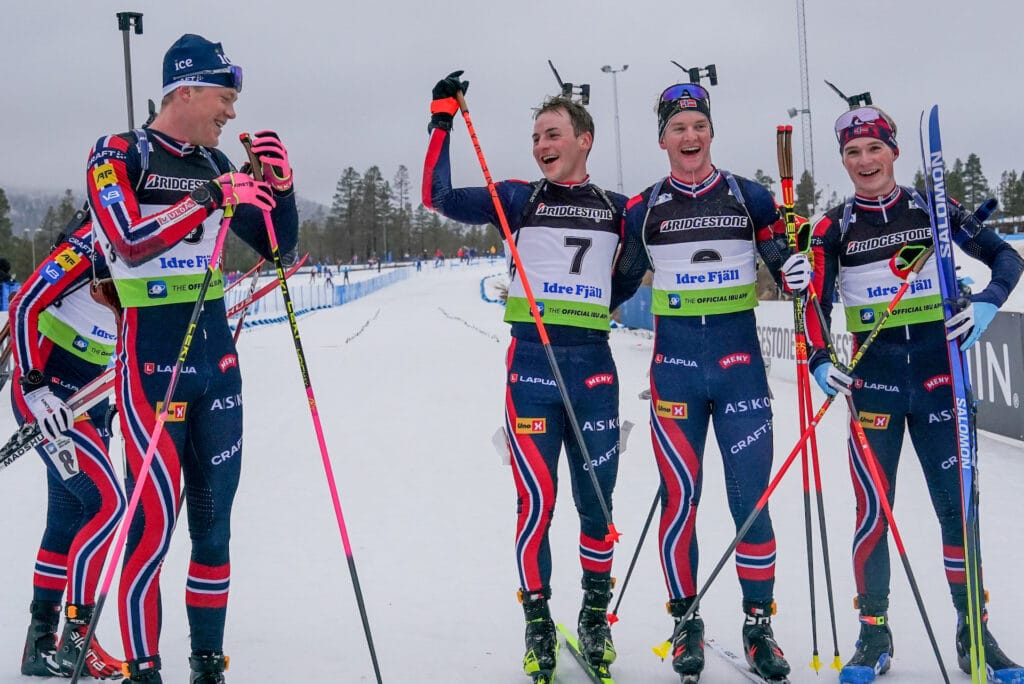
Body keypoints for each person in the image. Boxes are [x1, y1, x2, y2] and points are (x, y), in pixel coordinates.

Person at [86, 33, 298, 683]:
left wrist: (281, 189)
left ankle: (208, 664)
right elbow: (124, 240)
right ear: (187, 89)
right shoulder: (119, 153)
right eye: (225, 98)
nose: (231, 113)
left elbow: (277, 248)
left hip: (218, 363)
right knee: (151, 527)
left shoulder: (215, 166)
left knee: (214, 528)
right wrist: (210, 198)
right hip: (153, 364)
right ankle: (145, 670)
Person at [793, 105, 1024, 682]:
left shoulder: (933, 209)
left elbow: (1007, 255)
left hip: (940, 383)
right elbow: (813, 305)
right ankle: (874, 637)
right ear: (844, 161)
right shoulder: (833, 227)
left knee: (958, 512)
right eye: (852, 152)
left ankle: (975, 633)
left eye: (874, 148)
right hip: (874, 390)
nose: (865, 161)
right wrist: (822, 361)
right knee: (873, 511)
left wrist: (989, 302)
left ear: (894, 151)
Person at [423, 71, 627, 682]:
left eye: (553, 133)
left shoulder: (618, 210)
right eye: (536, 135)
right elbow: (438, 195)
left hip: (594, 370)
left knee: (597, 503)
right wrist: (442, 118)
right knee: (536, 502)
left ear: (583, 139)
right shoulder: (518, 198)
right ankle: (538, 624)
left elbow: (633, 272)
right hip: (530, 370)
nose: (541, 144)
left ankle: (594, 618)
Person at [610, 82, 800, 683]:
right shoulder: (643, 209)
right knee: (680, 505)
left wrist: (798, 270)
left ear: (711, 131)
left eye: (698, 125)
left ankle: (757, 624)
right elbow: (617, 288)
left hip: (742, 372)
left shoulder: (749, 197)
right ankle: (684, 620)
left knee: (751, 505)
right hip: (675, 378)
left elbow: (787, 272)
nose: (689, 137)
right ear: (662, 137)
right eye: (677, 127)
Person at [11, 222, 126, 678]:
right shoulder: (92, 242)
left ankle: (40, 644)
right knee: (107, 504)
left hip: (91, 394)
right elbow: (22, 305)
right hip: (50, 392)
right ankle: (77, 639)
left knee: (69, 516)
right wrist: (35, 389)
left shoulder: (150, 245)